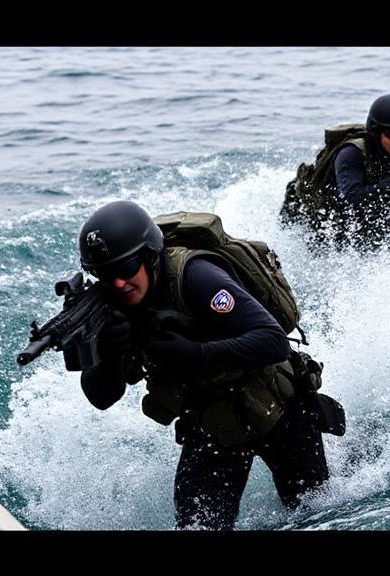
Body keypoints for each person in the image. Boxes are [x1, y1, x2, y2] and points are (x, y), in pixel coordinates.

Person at [76, 200, 332, 530]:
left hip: (277, 404)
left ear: (150, 257)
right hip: (212, 424)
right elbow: (100, 397)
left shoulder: (196, 276)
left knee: (316, 513)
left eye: (125, 269)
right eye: (105, 274)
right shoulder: (111, 307)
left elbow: (272, 340)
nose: (118, 284)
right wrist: (110, 354)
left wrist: (196, 353)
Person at [280, 94, 390, 251]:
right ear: (376, 131)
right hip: (323, 226)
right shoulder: (352, 153)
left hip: (373, 234)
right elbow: (352, 199)